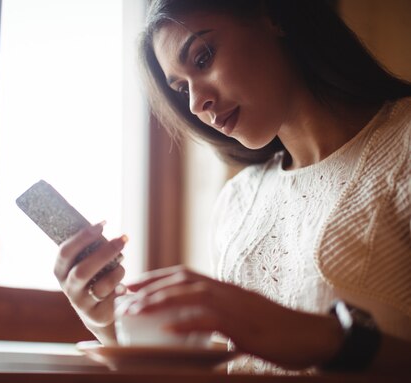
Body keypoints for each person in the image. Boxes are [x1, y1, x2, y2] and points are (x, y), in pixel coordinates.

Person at [54, 0, 411, 375]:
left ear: (272, 15)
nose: (195, 103)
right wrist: (111, 325)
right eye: (180, 88)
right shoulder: (238, 202)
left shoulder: (402, 147)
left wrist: (322, 338)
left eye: (203, 57)